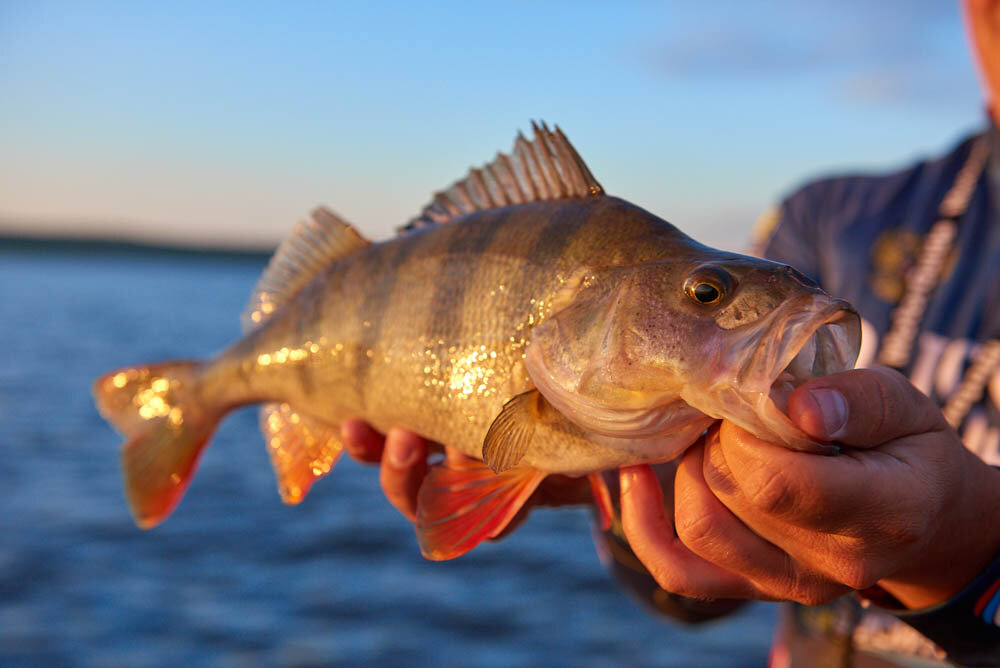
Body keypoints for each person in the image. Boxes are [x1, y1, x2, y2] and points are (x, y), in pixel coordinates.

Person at [341, 1, 1000, 664]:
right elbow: (690, 597)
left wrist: (968, 549)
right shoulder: (831, 219)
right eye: (708, 294)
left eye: (710, 293)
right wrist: (642, 483)